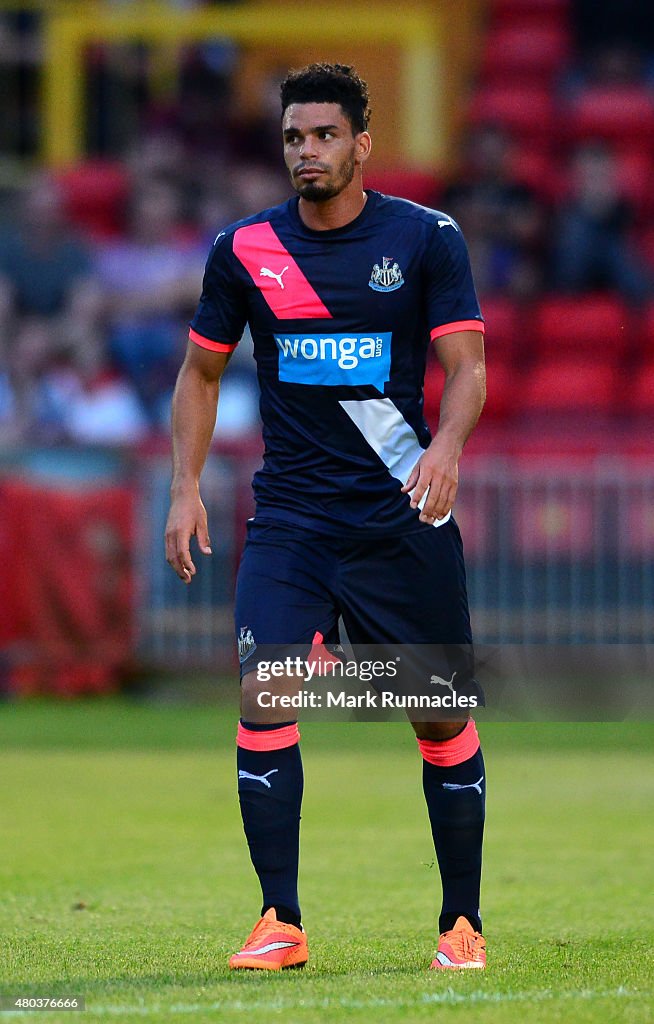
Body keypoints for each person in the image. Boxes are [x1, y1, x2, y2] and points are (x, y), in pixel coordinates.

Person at [165, 63, 487, 972]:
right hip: (293, 524)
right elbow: (200, 373)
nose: (307, 152)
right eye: (294, 138)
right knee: (265, 696)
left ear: (361, 143)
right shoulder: (246, 248)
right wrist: (184, 488)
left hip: (399, 520)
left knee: (439, 720)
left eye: (324, 136)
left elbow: (466, 367)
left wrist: (447, 448)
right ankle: (280, 921)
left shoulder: (426, 239)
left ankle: (460, 925)